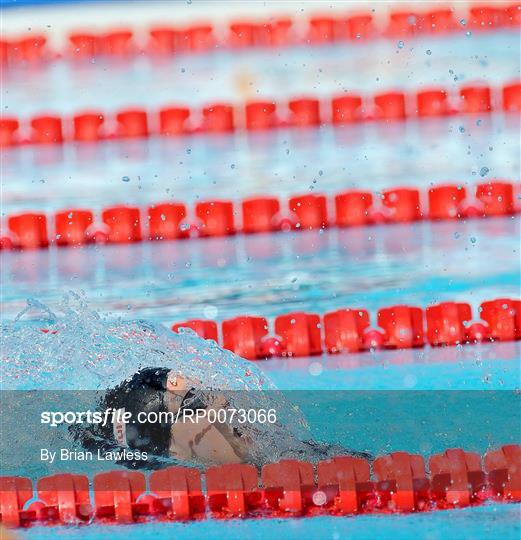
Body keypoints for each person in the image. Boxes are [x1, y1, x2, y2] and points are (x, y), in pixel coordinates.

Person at [74, 367, 371, 469]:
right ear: (176, 453)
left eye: (203, 389)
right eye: (194, 402)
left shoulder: (307, 456)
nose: (220, 400)